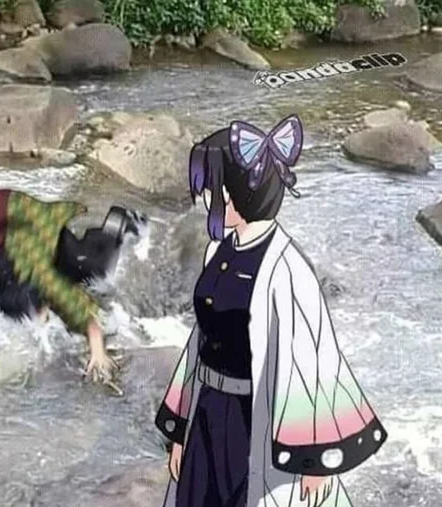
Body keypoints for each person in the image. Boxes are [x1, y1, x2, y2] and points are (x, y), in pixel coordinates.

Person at [154, 116, 388, 507]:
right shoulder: (218, 251)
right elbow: (200, 340)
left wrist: (315, 460)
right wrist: (180, 432)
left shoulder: (288, 269)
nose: (205, 198)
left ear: (233, 192)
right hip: (207, 409)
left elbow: (312, 359)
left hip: (255, 417)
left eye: (211, 187)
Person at [0, 189, 146, 388]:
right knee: (61, 272)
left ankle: (119, 221)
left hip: (12, 215)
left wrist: (98, 352)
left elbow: (84, 314)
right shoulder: (2, 288)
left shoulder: (42, 279)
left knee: (93, 272)